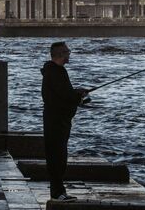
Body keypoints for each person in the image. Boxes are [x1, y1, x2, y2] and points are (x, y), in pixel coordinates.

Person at [41, 42, 89, 202]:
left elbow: (63, 93)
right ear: (60, 54)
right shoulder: (56, 72)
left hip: (56, 120)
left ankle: (59, 191)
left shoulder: (54, 72)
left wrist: (77, 93)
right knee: (57, 157)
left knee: (58, 156)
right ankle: (57, 193)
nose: (69, 54)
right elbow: (64, 96)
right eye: (67, 51)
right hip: (56, 121)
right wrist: (78, 96)